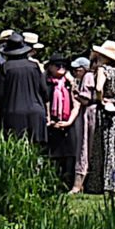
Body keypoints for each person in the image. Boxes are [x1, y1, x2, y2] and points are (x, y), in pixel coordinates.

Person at [86, 38, 115, 192]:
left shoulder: (103, 70)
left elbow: (99, 88)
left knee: (106, 145)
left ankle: (106, 184)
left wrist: (102, 100)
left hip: (108, 111)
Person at [0, 32, 51, 145]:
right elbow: (45, 92)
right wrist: (47, 114)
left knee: (16, 150)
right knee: (37, 150)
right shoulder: (35, 67)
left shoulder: (5, 68)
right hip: (36, 113)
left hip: (13, 114)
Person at [46, 55, 84, 190]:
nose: (60, 68)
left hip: (69, 122)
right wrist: (49, 119)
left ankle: (69, 184)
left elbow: (77, 104)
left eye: (63, 65)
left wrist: (68, 122)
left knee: (70, 154)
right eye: (57, 65)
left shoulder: (70, 83)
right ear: (50, 67)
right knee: (53, 155)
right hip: (52, 124)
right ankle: (53, 184)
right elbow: (46, 101)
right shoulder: (47, 83)